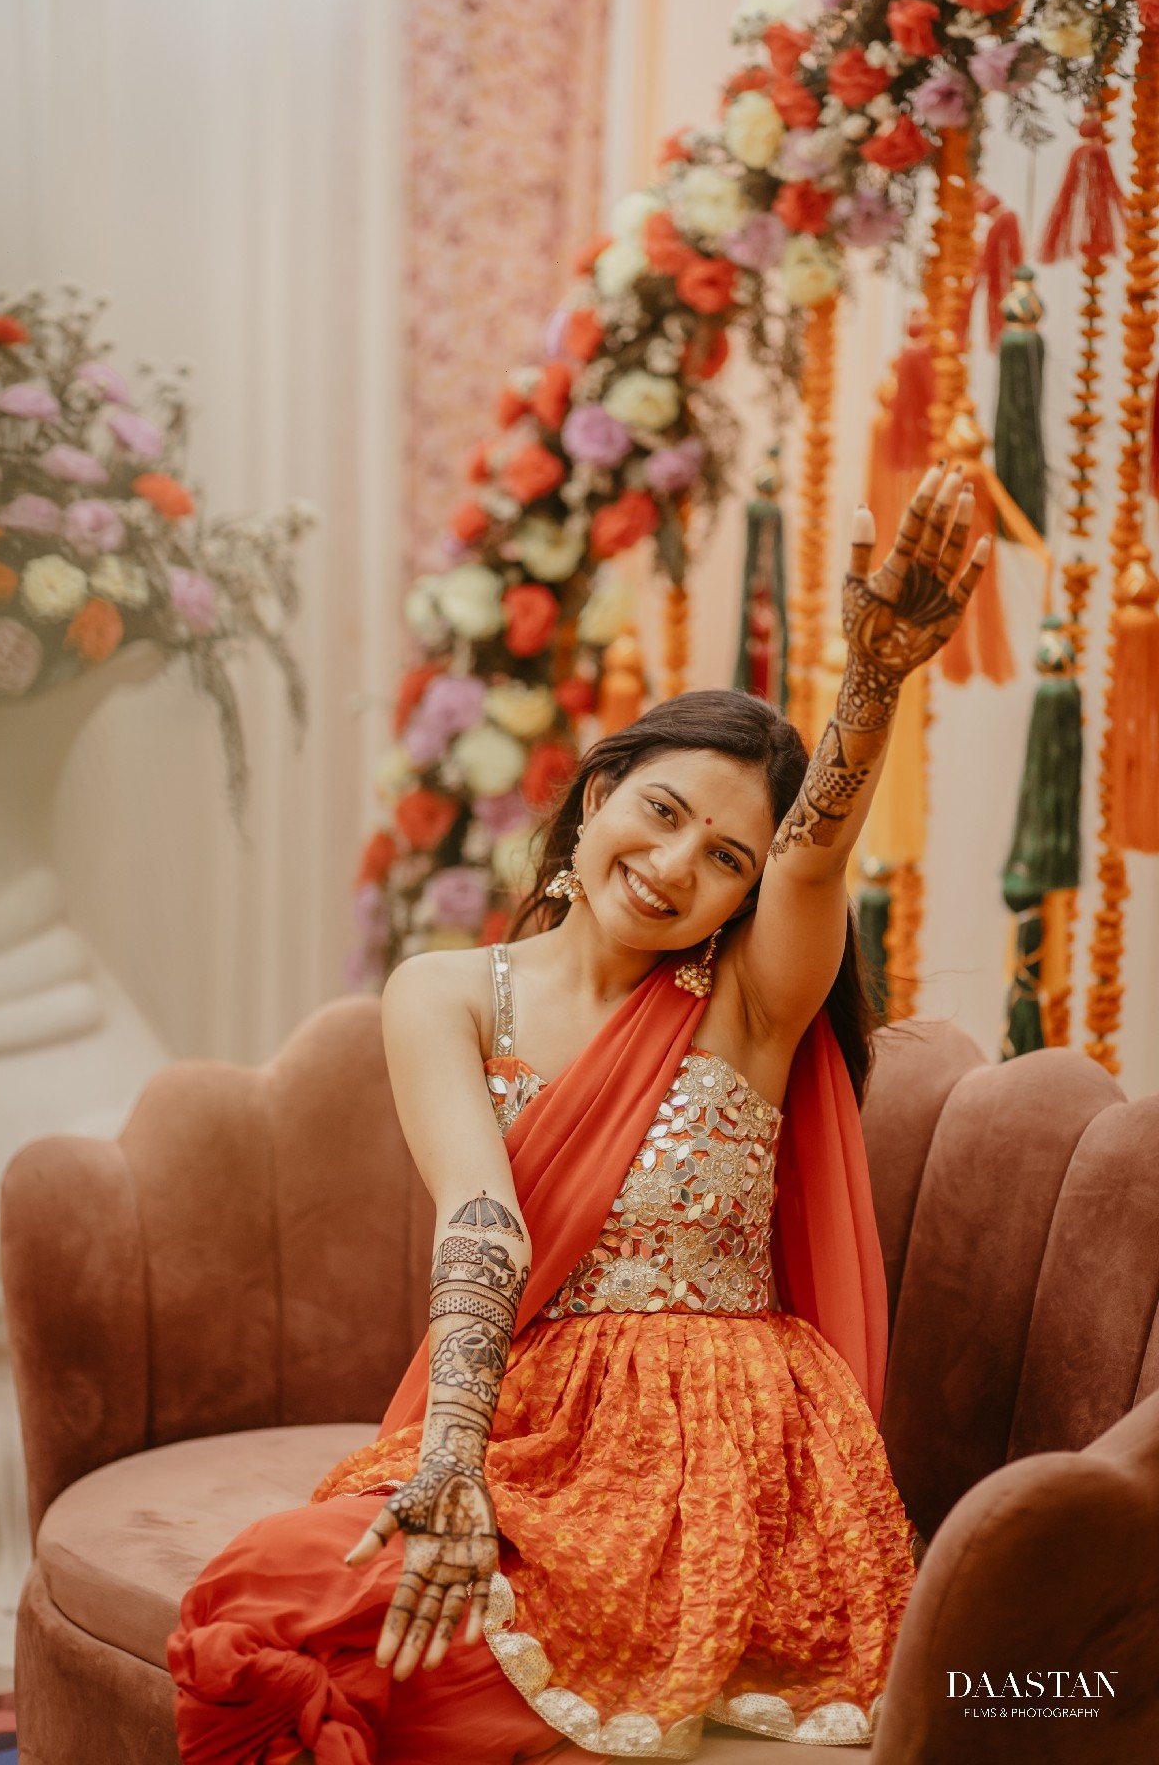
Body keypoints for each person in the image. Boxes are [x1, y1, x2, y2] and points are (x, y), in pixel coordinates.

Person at [167, 464, 988, 1763]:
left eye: (727, 860)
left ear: (744, 899)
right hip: (526, 1423)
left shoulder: (754, 1006)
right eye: (661, 813)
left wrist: (873, 683)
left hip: (721, 1447)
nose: (674, 868)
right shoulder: (445, 994)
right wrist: (447, 1465)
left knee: (417, 1687)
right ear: (595, 794)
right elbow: (482, 1220)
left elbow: (818, 849)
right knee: (271, 1601)